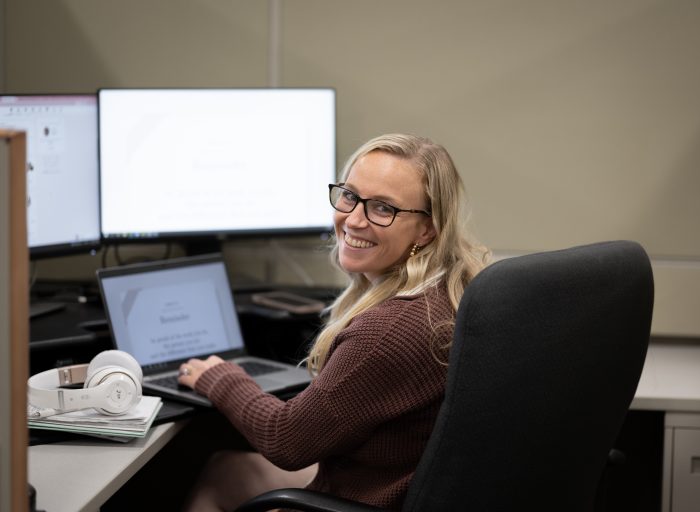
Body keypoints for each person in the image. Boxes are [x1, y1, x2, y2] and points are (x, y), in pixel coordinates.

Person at [178, 133, 490, 511]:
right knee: (226, 469)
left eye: (382, 208)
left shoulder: (388, 332)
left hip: (367, 500)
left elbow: (287, 441)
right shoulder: (452, 291)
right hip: (385, 484)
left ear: (428, 228)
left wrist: (220, 377)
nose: (353, 220)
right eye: (349, 196)